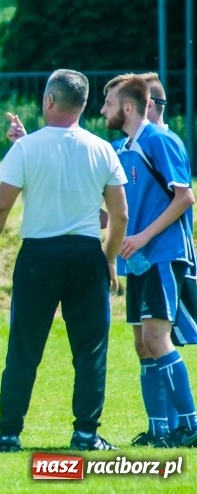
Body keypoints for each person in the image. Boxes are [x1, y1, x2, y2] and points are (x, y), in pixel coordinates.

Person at [0, 69, 128, 452]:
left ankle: (9, 434)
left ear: (48, 100)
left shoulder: (27, 148)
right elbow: (120, 215)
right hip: (86, 253)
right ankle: (86, 434)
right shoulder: (102, 148)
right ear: (86, 104)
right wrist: (108, 259)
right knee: (90, 348)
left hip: (39, 254)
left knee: (24, 346)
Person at [102, 73, 197, 448]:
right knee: (143, 344)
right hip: (138, 261)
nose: (103, 109)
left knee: (158, 339)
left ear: (128, 107)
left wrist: (143, 236)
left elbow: (185, 197)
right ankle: (160, 429)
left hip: (161, 255)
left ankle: (190, 424)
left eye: (108, 103)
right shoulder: (122, 146)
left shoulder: (160, 140)